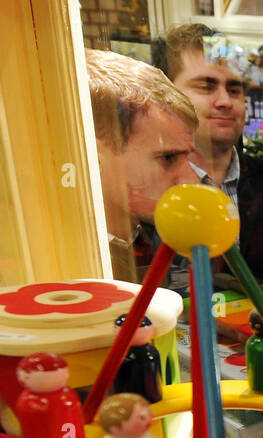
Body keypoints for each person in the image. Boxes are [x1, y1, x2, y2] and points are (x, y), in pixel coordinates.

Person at [158, 24, 263, 284]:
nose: (225, 101)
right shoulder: (149, 186)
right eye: (206, 87)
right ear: (168, 95)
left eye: (234, 89)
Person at [85, 49, 200, 282]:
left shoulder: (156, 241)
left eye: (187, 157)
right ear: (93, 156)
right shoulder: (64, 262)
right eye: (167, 158)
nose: (192, 179)